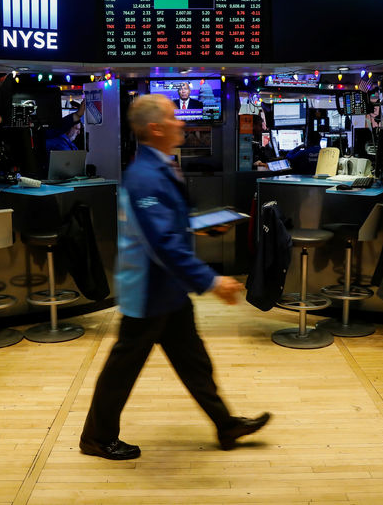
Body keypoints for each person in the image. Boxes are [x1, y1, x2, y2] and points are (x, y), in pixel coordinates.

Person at [80, 94, 270, 461]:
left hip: (168, 289)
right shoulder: (144, 175)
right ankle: (96, 438)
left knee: (193, 361)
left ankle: (225, 424)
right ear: (155, 127)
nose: (181, 122)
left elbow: (168, 226)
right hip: (149, 291)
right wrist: (213, 281)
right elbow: (162, 242)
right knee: (122, 368)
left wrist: (198, 227)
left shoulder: (159, 166)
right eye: (173, 117)